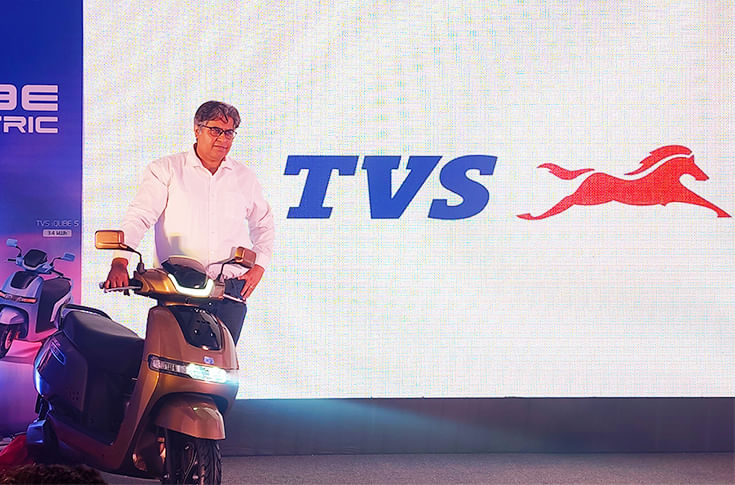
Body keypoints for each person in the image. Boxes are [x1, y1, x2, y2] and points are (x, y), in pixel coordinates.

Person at [104, 100, 274, 343]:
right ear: (197, 129)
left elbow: (264, 224)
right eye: (215, 130)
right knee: (171, 363)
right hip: (177, 290)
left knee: (221, 367)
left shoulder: (244, 177)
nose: (223, 139)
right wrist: (120, 261)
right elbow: (140, 216)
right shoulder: (166, 170)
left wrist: (259, 266)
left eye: (229, 132)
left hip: (229, 292)